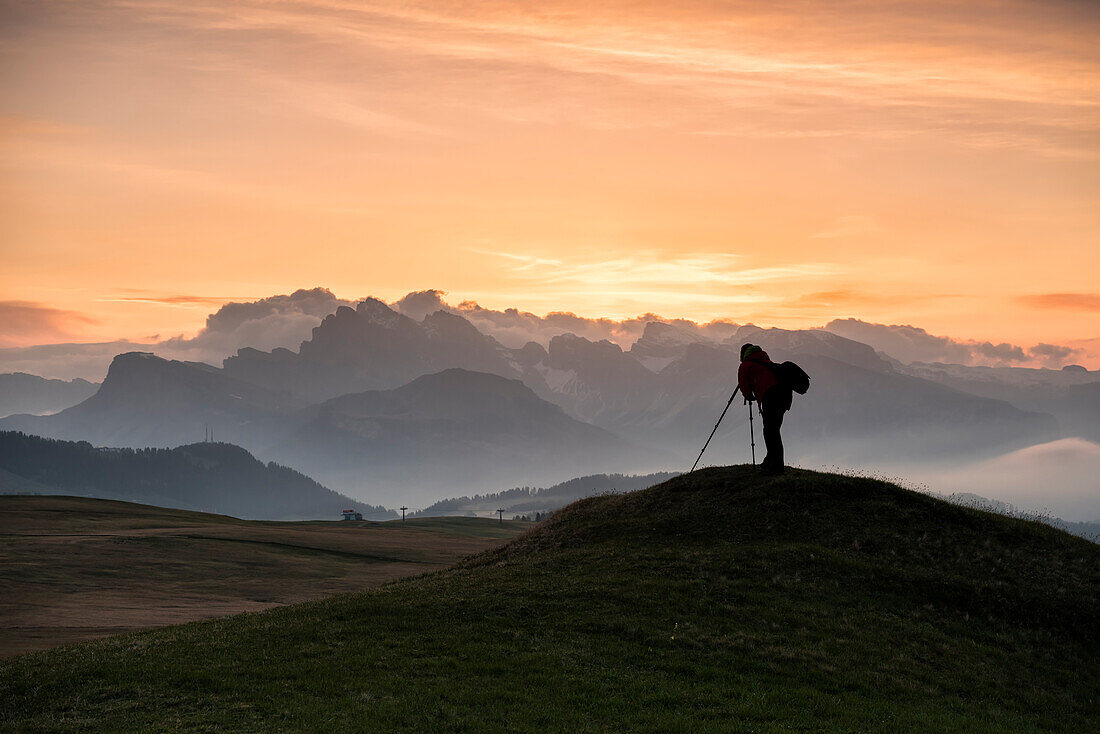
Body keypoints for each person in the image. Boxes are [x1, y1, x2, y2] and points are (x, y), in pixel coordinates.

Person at [737, 343, 792, 476]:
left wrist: (750, 396)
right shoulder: (766, 361)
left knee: (770, 431)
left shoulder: (746, 366)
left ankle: (776, 467)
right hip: (785, 395)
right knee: (773, 430)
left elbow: (744, 388)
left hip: (771, 396)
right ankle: (771, 460)